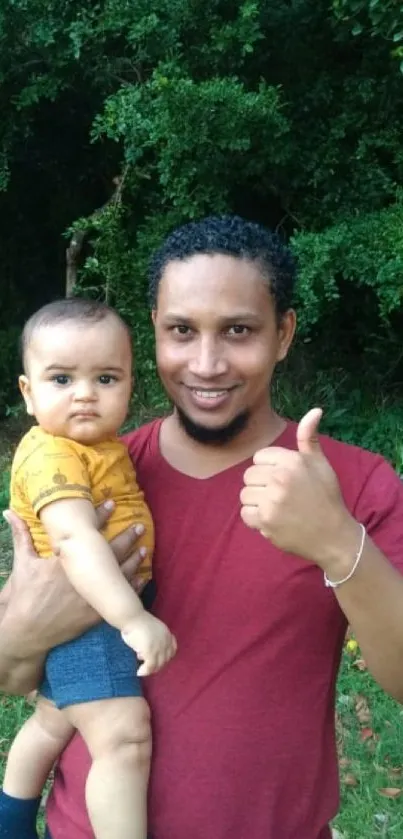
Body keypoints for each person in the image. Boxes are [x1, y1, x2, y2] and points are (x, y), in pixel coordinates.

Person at [1, 214, 403, 839]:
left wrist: (336, 543)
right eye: (181, 332)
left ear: (283, 333)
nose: (207, 363)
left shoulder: (354, 485)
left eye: (239, 331)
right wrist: (27, 626)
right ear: (153, 335)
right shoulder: (101, 480)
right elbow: (9, 678)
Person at [0, 299, 176, 839]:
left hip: (95, 612)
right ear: (28, 394)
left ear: (129, 385)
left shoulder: (98, 446)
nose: (84, 393)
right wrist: (132, 618)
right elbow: (76, 540)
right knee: (124, 738)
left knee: (54, 719)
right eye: (61, 378)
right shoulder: (53, 455)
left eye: (105, 377)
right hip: (92, 615)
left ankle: (9, 822)